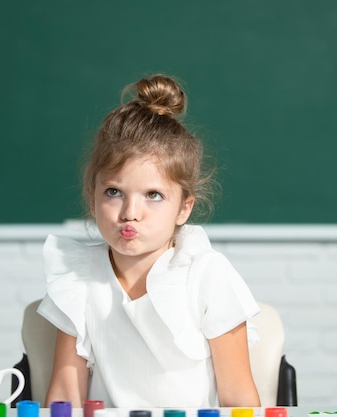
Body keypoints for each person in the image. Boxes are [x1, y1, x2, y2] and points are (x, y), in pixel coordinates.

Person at [38, 74, 261, 408]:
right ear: (92, 196)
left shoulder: (207, 274)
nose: (130, 213)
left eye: (153, 195)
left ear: (184, 208)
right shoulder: (79, 278)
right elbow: (64, 399)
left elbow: (239, 399)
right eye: (114, 192)